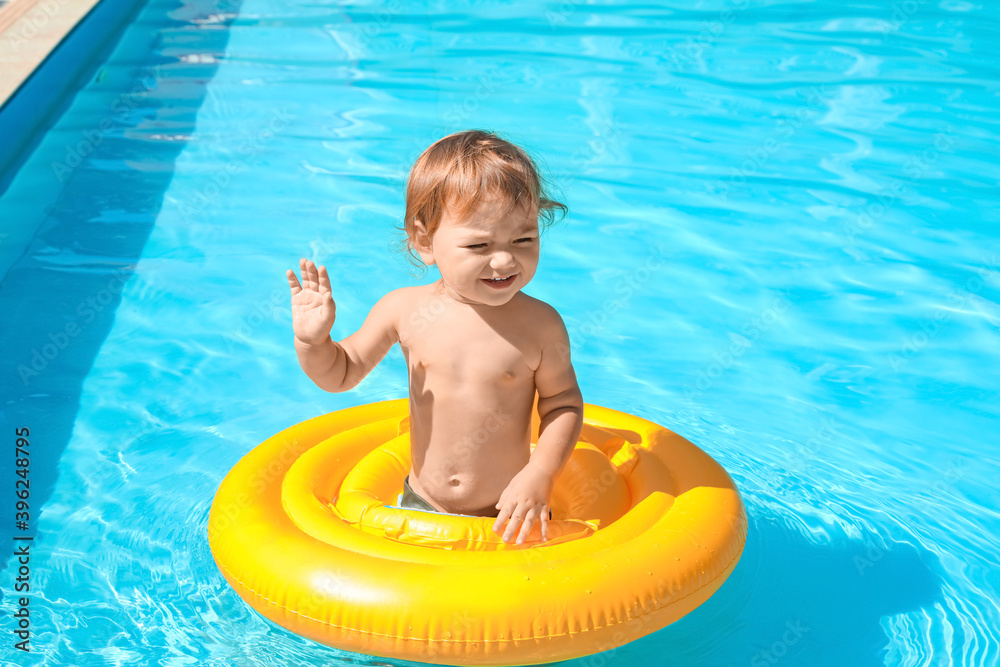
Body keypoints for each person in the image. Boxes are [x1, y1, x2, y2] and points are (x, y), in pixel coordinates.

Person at [286, 130, 583, 545]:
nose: (504, 259)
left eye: (524, 239)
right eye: (479, 244)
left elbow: (564, 404)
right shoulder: (402, 310)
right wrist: (314, 343)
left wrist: (540, 473)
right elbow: (341, 375)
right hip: (423, 506)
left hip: (511, 508)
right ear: (425, 241)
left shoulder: (541, 325)